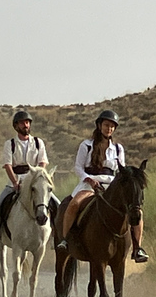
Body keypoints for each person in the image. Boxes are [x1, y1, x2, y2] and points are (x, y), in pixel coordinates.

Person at [56, 110, 149, 263]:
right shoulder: (86, 145)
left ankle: (137, 247)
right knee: (74, 204)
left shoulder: (118, 148)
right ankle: (65, 240)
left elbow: (122, 170)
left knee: (135, 210)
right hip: (89, 183)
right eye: (106, 125)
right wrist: (89, 180)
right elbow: (78, 168)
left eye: (112, 126)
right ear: (99, 125)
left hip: (111, 185)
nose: (109, 129)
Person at [0, 110, 59, 251]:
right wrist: (14, 182)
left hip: (36, 180)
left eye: (27, 122)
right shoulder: (10, 144)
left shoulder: (38, 143)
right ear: (16, 126)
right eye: (22, 123)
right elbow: (8, 165)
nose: (25, 125)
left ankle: (56, 236)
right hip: (16, 180)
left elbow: (43, 162)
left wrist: (38, 177)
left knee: (57, 203)